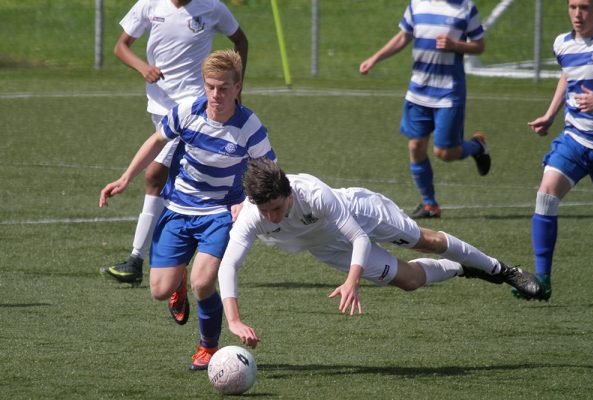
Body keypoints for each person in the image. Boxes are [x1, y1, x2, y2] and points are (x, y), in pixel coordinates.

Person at [217, 158, 540, 348]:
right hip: (326, 246)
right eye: (265, 211)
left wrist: (352, 282)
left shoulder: (313, 193)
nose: (271, 217)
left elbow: (357, 237)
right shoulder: (252, 215)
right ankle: (461, 268)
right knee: (410, 281)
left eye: (276, 208)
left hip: (361, 214)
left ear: (288, 193)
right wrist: (234, 320)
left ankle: (502, 270)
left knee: (425, 241)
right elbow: (228, 266)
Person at [99, 50, 276, 369]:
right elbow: (156, 140)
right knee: (158, 290)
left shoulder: (249, 126)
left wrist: (246, 202)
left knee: (203, 282)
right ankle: (175, 279)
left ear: (238, 88)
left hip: (220, 214)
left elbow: (269, 171)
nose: (215, 95)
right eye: (210, 86)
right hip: (179, 208)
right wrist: (126, 177)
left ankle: (208, 346)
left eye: (223, 88)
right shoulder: (188, 112)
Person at [101, 0, 248, 286]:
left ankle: (137, 259)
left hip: (192, 106)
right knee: (177, 181)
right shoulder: (149, 5)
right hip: (159, 106)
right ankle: (180, 259)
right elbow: (121, 47)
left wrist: (237, 85)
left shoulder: (211, 7)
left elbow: (240, 39)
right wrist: (144, 68)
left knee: (155, 175)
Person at [359, 0, 490, 219]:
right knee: (415, 146)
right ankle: (430, 204)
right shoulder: (417, 5)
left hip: (449, 91)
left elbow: (479, 45)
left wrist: (456, 45)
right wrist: (375, 58)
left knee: (445, 153)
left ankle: (477, 146)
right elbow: (403, 36)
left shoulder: (466, 7)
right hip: (418, 90)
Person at [514, 0, 593, 301]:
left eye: (585, 7)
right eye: (573, 7)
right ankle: (541, 281)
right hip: (575, 140)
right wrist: (550, 114)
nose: (578, 14)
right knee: (546, 194)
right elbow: (567, 76)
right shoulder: (562, 44)